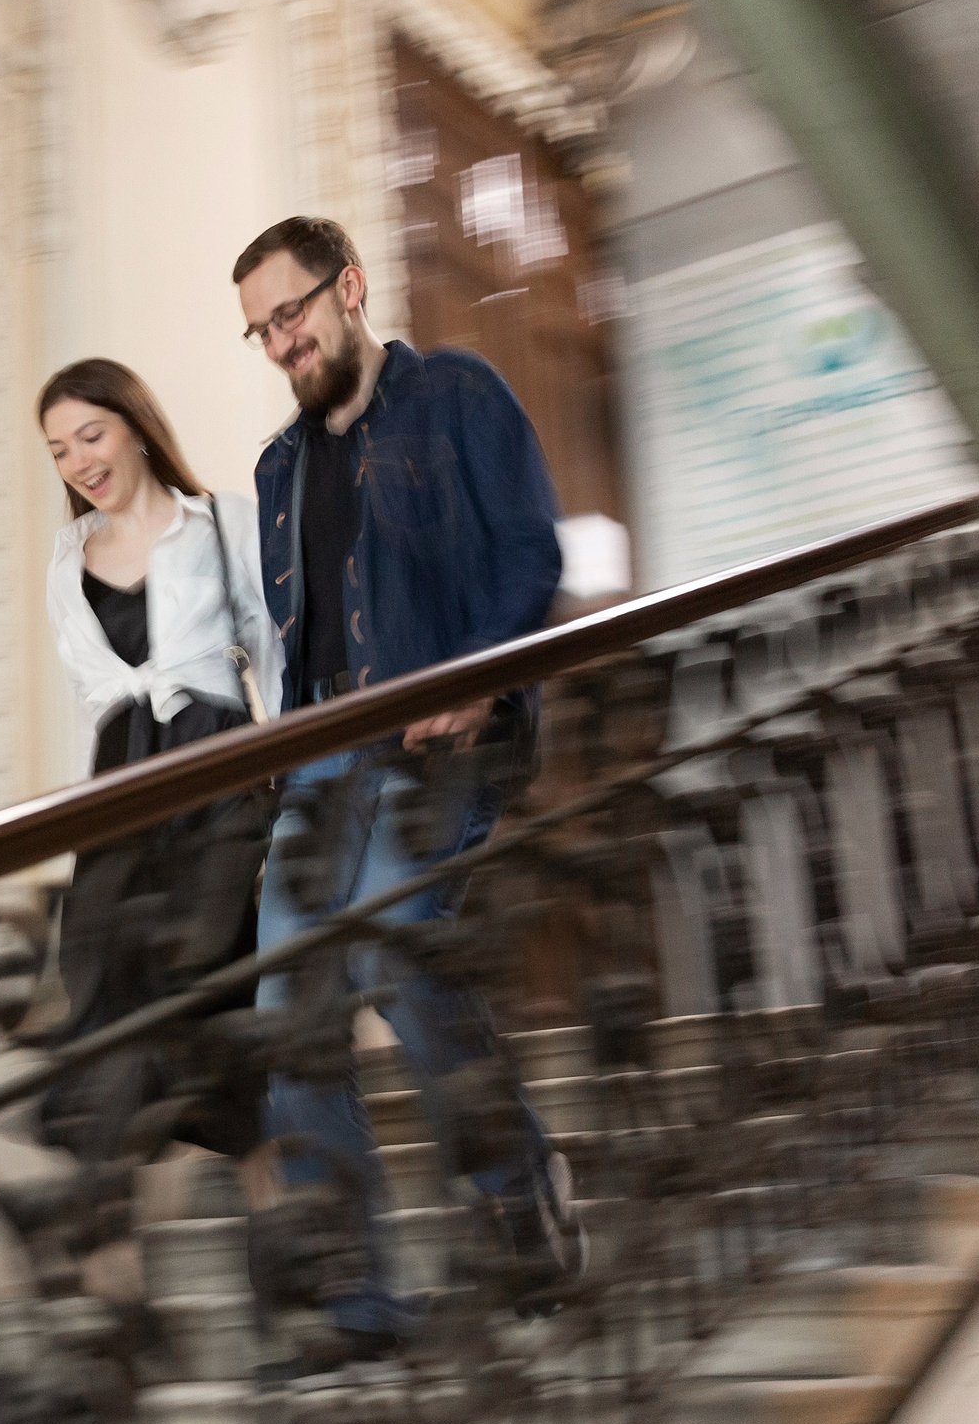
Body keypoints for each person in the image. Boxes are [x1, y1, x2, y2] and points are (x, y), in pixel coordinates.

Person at [232, 216, 575, 1353]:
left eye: (291, 312)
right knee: (288, 1012)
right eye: (259, 330)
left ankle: (516, 1187)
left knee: (390, 953)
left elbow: (530, 550)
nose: (281, 341)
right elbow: (295, 643)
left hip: (439, 741)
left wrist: (479, 679)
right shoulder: (276, 471)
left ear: (350, 290)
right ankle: (359, 1301)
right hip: (321, 758)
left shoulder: (455, 396)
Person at [35, 358, 283, 1177]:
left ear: (136, 425)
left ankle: (272, 1208)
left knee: (210, 967)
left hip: (212, 768)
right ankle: (113, 1248)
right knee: (102, 969)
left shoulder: (221, 524)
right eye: (60, 449)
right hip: (118, 784)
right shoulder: (65, 563)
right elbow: (90, 702)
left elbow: (272, 655)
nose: (79, 461)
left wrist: (291, 774)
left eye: (91, 435)